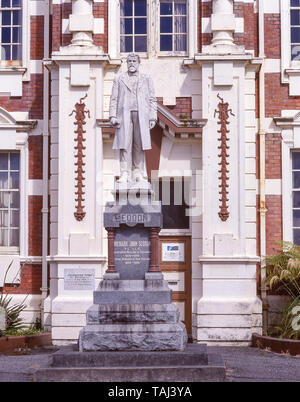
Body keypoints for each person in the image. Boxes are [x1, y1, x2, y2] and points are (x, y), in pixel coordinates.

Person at [109, 53, 157, 183]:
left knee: (139, 144)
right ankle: (124, 172)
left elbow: (152, 99)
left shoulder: (146, 78)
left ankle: (138, 172)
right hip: (123, 114)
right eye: (129, 61)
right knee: (124, 144)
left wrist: (153, 117)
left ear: (138, 63)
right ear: (126, 63)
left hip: (141, 114)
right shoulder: (119, 79)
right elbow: (113, 98)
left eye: (134, 61)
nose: (131, 63)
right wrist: (112, 115)